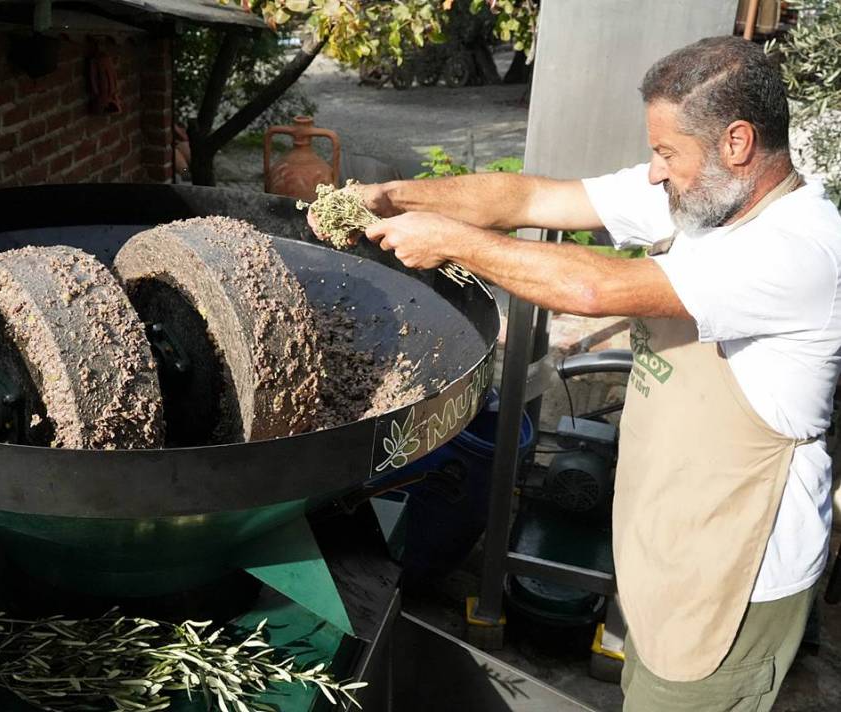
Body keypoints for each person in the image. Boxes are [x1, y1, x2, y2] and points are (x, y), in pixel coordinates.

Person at [308, 36, 841, 711]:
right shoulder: (706, 199)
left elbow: (595, 289)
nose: (653, 173)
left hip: (734, 577)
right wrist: (394, 197)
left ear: (737, 143)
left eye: (667, 153)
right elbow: (534, 198)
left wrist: (449, 241)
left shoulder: (797, 251)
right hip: (674, 544)